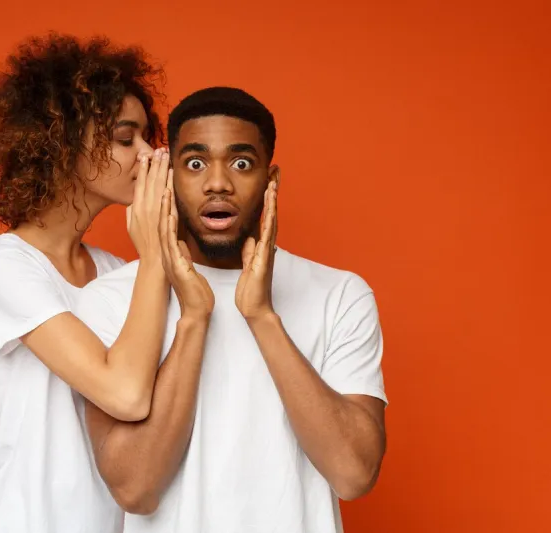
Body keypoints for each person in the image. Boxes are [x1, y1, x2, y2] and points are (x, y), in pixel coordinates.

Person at [73, 86, 388, 533]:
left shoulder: (340, 294)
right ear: (170, 178)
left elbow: (354, 474)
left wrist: (261, 316)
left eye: (241, 163)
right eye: (195, 163)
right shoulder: (109, 299)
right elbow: (135, 489)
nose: (217, 183)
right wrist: (194, 319)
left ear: (270, 180)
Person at [0, 33, 173, 533]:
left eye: (146, 137)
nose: (147, 154)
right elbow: (126, 394)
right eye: (125, 138)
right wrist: (157, 255)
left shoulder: (122, 275)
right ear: (64, 143)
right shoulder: (4, 270)